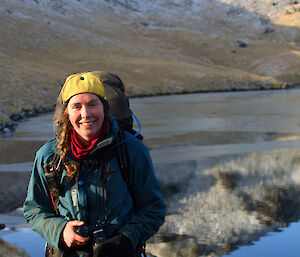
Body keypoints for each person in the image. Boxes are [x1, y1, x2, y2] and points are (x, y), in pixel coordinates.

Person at [23, 72, 166, 257]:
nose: (85, 114)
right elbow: (34, 210)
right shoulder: (49, 156)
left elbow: (153, 208)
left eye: (92, 104)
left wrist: (127, 239)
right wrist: (60, 231)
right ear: (67, 112)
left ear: (104, 109)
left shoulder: (131, 150)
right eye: (77, 106)